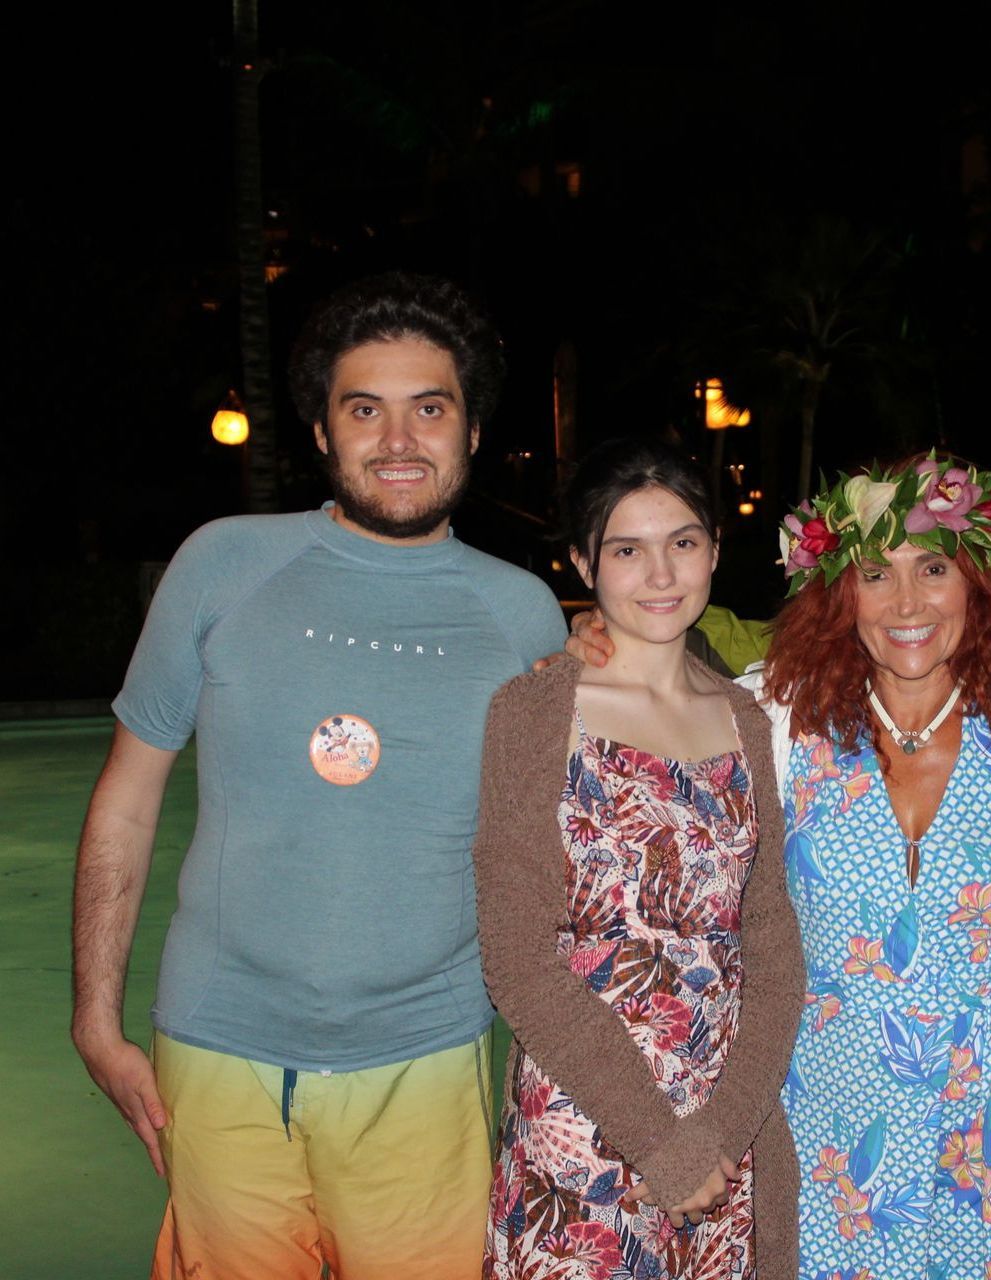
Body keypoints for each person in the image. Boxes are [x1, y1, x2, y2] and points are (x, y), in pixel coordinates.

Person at [70, 272, 567, 1280]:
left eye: (430, 408)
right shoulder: (220, 567)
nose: (397, 440)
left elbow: (552, 845)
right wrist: (93, 1016)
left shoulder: (520, 616)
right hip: (216, 1050)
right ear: (321, 431)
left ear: (472, 432)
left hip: (424, 1058)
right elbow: (127, 795)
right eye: (364, 409)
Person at [472, 439, 804, 1279]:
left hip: (724, 1138)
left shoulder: (746, 717)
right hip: (583, 1135)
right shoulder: (536, 710)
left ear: (716, 551)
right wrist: (657, 1140)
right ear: (584, 560)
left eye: (683, 542)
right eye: (627, 549)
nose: (661, 574)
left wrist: (719, 1136)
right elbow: (515, 957)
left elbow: (768, 940)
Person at [757, 456, 991, 1278]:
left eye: (933, 569)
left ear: (978, 583)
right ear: (838, 594)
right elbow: (666, 676)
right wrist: (587, 647)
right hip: (824, 1143)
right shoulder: (782, 721)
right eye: (875, 573)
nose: (906, 604)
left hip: (983, 1142)